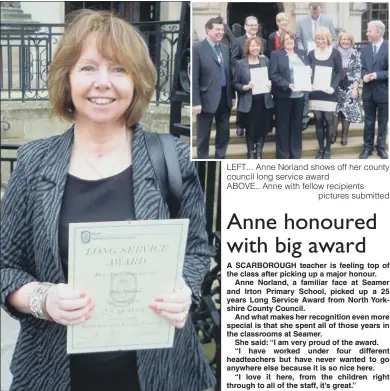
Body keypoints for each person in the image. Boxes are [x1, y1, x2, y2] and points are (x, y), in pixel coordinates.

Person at [0, 10, 216, 391]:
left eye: (119, 69)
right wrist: (41, 299)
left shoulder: (170, 157)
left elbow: (197, 249)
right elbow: (5, 266)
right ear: (67, 78)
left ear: (137, 81)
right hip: (54, 372)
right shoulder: (34, 162)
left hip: (161, 373)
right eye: (88, 68)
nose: (103, 83)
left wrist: (184, 288)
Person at [192, 16, 235, 159]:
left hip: (225, 98)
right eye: (217, 29)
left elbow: (228, 73)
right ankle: (202, 161)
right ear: (208, 30)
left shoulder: (224, 48)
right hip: (206, 100)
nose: (220, 32)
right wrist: (195, 101)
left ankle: (220, 159)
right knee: (203, 136)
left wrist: (233, 95)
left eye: (222, 30)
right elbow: (195, 77)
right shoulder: (197, 49)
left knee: (224, 134)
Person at [295, 3, 337, 131]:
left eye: (317, 13)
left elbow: (334, 38)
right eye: (312, 13)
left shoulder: (328, 20)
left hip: (324, 57)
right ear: (309, 10)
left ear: (321, 9)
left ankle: (324, 116)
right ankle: (305, 118)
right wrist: (306, 52)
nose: (315, 15)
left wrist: (327, 50)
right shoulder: (301, 21)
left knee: (322, 85)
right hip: (309, 57)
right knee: (308, 86)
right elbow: (298, 39)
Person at [270, 30, 309, 159]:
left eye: (291, 38)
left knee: (296, 125)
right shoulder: (276, 54)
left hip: (299, 96)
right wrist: (287, 84)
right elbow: (273, 74)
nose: (289, 41)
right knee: (282, 126)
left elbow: (308, 71)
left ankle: (296, 154)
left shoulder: (302, 54)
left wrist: (309, 74)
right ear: (282, 41)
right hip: (283, 96)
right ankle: (283, 155)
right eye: (286, 39)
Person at [233, 37, 273, 159]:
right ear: (248, 48)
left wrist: (270, 84)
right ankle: (251, 153)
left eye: (257, 46)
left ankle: (259, 152)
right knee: (250, 129)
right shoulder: (240, 63)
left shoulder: (265, 61)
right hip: (249, 101)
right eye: (252, 46)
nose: (255, 48)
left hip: (263, 101)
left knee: (262, 128)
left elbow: (272, 77)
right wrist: (245, 87)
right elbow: (235, 83)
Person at [308, 27, 342, 159]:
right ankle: (320, 149)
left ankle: (328, 149)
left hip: (329, 93)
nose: (320, 41)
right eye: (318, 38)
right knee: (319, 120)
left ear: (327, 39)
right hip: (315, 92)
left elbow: (339, 72)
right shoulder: (311, 53)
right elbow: (308, 71)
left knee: (329, 120)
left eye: (322, 38)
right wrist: (308, 83)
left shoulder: (335, 53)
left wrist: (333, 87)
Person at [231, 16, 268, 137]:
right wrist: (239, 71)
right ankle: (240, 125)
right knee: (243, 101)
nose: (253, 27)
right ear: (245, 26)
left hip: (259, 77)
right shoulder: (238, 41)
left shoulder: (263, 41)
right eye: (251, 25)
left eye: (255, 25)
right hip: (243, 75)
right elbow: (234, 60)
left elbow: (265, 58)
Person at [360, 20, 388, 159]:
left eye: (369, 31)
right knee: (368, 122)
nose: (367, 33)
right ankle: (367, 148)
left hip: (383, 92)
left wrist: (376, 75)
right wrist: (364, 76)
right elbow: (361, 68)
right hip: (368, 92)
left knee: (383, 122)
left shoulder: (388, 48)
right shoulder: (364, 49)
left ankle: (381, 148)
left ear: (378, 32)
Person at [334, 30, 362, 146]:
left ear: (351, 41)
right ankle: (333, 133)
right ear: (339, 40)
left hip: (350, 86)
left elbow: (357, 71)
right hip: (335, 85)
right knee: (335, 110)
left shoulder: (356, 53)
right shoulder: (334, 52)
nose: (345, 41)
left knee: (347, 109)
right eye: (343, 39)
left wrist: (355, 89)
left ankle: (345, 134)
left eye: (348, 39)